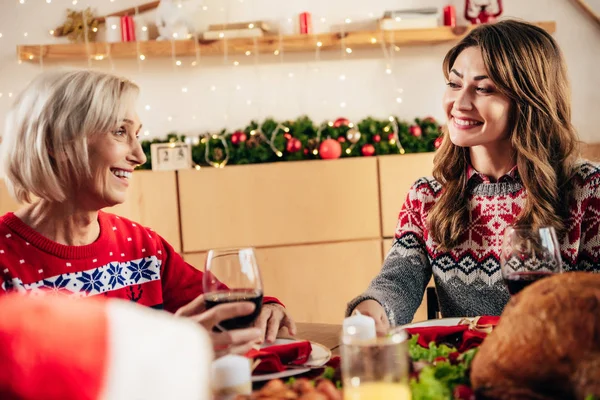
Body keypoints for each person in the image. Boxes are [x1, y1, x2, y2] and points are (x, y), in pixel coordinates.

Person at [0, 69, 295, 354]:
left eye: (137, 134)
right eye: (120, 132)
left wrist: (267, 307)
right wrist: (164, 349)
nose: (140, 155)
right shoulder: (5, 259)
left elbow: (217, 305)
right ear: (58, 143)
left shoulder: (141, 246)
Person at [347, 19, 600, 333]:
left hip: (557, 371)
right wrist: (371, 311)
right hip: (467, 369)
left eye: (483, 88)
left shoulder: (587, 190)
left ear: (528, 102)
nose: (459, 103)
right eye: (454, 84)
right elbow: (396, 283)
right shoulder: (427, 196)